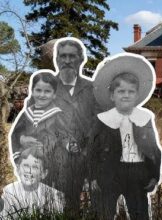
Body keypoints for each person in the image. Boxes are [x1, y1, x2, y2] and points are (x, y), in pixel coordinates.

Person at [89, 54, 162, 219]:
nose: (126, 95)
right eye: (120, 91)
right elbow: (93, 150)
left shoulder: (144, 118)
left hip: (138, 171)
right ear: (112, 95)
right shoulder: (103, 120)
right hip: (110, 171)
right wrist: (93, 177)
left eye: (131, 91)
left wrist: (154, 175)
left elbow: (153, 149)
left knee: (139, 212)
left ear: (137, 96)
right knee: (105, 212)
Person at [52, 37, 100, 214]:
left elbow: (100, 120)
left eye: (72, 56)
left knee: (97, 205)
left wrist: (89, 144)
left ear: (80, 60)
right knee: (67, 207)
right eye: (62, 56)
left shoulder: (92, 88)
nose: (67, 61)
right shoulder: (46, 89)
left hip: (90, 156)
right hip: (59, 160)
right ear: (57, 60)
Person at [10, 71, 76, 191]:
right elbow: (16, 132)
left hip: (49, 159)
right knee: (29, 188)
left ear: (54, 94)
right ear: (32, 91)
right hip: (28, 158)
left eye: (47, 91)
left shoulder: (57, 114)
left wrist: (69, 144)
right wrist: (22, 138)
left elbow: (63, 134)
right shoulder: (26, 114)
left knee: (48, 190)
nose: (42, 95)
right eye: (38, 90)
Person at [1, 147, 64, 219]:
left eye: (35, 167)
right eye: (26, 166)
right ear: (18, 169)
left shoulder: (52, 195)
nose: (29, 171)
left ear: (43, 173)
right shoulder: (9, 192)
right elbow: (4, 217)